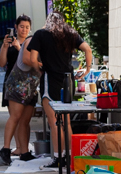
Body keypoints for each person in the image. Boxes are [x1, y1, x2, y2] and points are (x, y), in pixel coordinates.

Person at [25, 11, 93, 160]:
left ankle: (57, 157)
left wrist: (39, 69)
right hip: (68, 80)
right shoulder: (70, 34)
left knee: (54, 121)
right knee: (66, 121)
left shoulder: (41, 34)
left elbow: (32, 58)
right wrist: (87, 69)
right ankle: (69, 156)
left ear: (48, 21)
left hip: (50, 80)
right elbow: (88, 49)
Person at [0, 15, 39, 164]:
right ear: (16, 27)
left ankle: (24, 150)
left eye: (27, 27)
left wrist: (19, 47)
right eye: (21, 26)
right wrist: (5, 46)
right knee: (15, 117)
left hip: (30, 85)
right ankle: (8, 148)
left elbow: (29, 58)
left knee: (25, 120)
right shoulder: (10, 44)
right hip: (14, 83)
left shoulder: (32, 43)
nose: (24, 30)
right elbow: (2, 62)